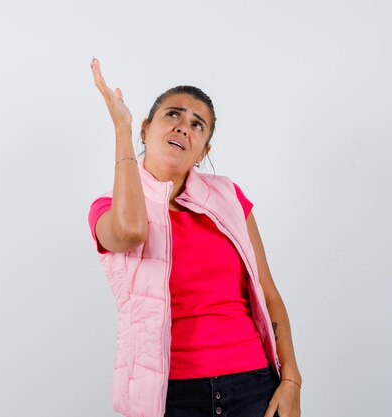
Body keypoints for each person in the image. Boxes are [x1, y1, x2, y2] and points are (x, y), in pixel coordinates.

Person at [87, 57, 302, 417]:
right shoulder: (109, 207)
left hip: (254, 386)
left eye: (197, 124)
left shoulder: (230, 199)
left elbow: (268, 293)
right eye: (173, 114)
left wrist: (291, 379)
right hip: (171, 395)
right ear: (145, 128)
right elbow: (130, 232)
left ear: (204, 151)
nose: (184, 127)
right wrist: (120, 130)